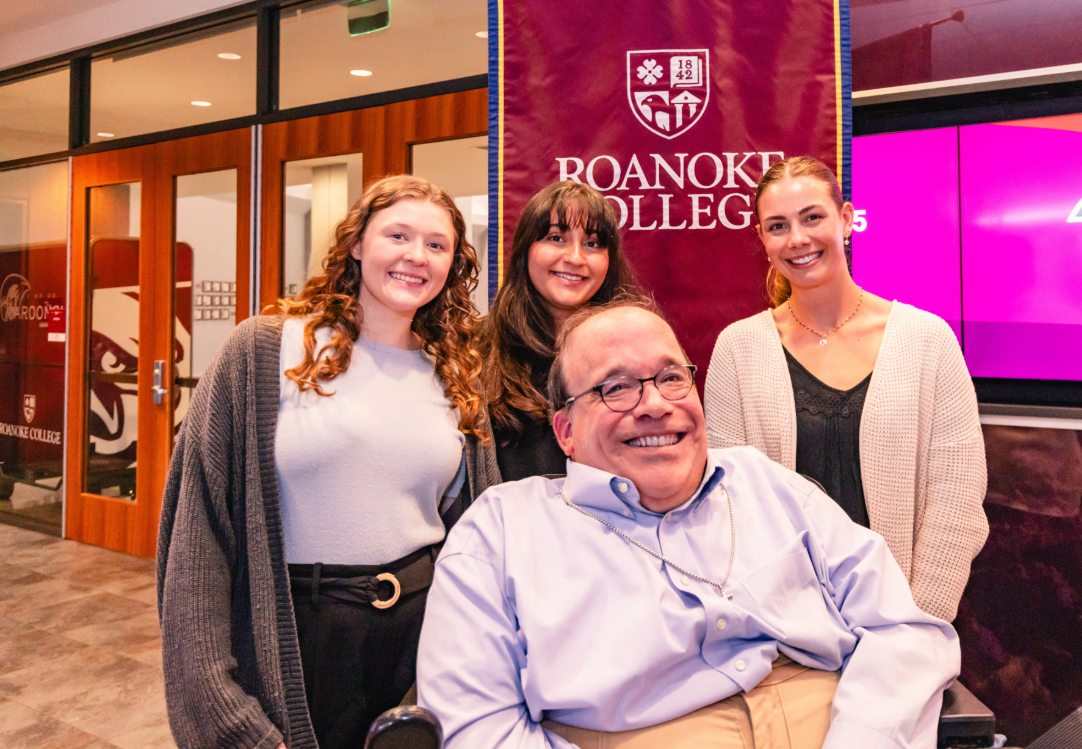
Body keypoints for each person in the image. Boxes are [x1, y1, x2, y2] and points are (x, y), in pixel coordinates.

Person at [416, 298, 961, 749]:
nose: (655, 404)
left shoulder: (768, 484)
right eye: (615, 387)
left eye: (671, 377)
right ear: (565, 431)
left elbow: (904, 631)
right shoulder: (502, 530)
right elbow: (477, 727)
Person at [157, 175, 500, 749]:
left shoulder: (455, 375)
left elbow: (474, 536)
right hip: (298, 636)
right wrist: (221, 707)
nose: (417, 256)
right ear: (357, 243)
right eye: (398, 235)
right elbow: (197, 536)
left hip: (421, 643)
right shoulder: (263, 351)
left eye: (437, 244)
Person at [704, 156, 988, 622]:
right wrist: (772, 626)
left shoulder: (927, 339)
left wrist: (918, 624)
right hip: (780, 628)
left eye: (812, 217)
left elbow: (956, 497)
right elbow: (726, 506)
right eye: (778, 226)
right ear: (762, 239)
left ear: (847, 219)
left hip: (906, 622)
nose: (797, 238)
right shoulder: (737, 348)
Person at [480, 180, 639, 481]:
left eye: (592, 243)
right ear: (526, 249)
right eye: (556, 238)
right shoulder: (475, 350)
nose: (575, 258)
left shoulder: (636, 349)